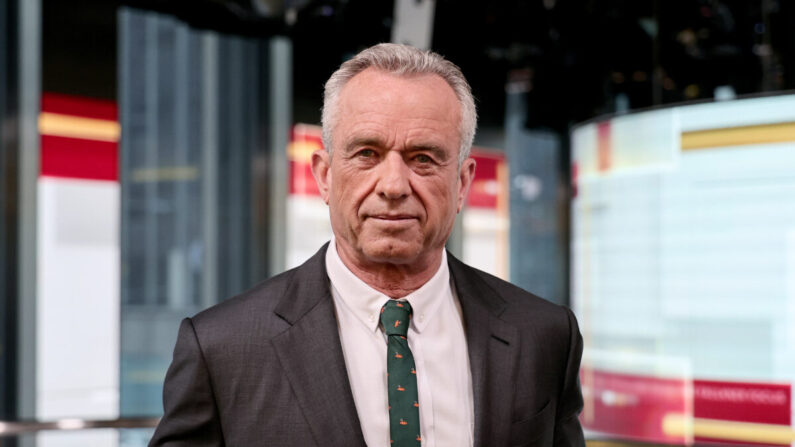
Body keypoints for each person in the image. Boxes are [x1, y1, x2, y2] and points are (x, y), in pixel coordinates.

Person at [149, 43, 584, 447]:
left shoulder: (544, 336)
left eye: (423, 158)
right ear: (324, 174)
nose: (393, 185)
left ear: (463, 182)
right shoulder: (221, 348)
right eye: (367, 154)